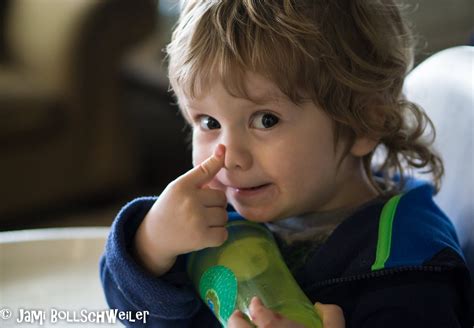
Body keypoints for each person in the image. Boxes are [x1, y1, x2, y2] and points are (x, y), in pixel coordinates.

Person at [100, 0, 472, 327]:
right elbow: (136, 317)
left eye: (265, 120)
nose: (230, 157)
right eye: (209, 123)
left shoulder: (409, 272)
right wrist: (149, 248)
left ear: (363, 122)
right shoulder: (212, 218)